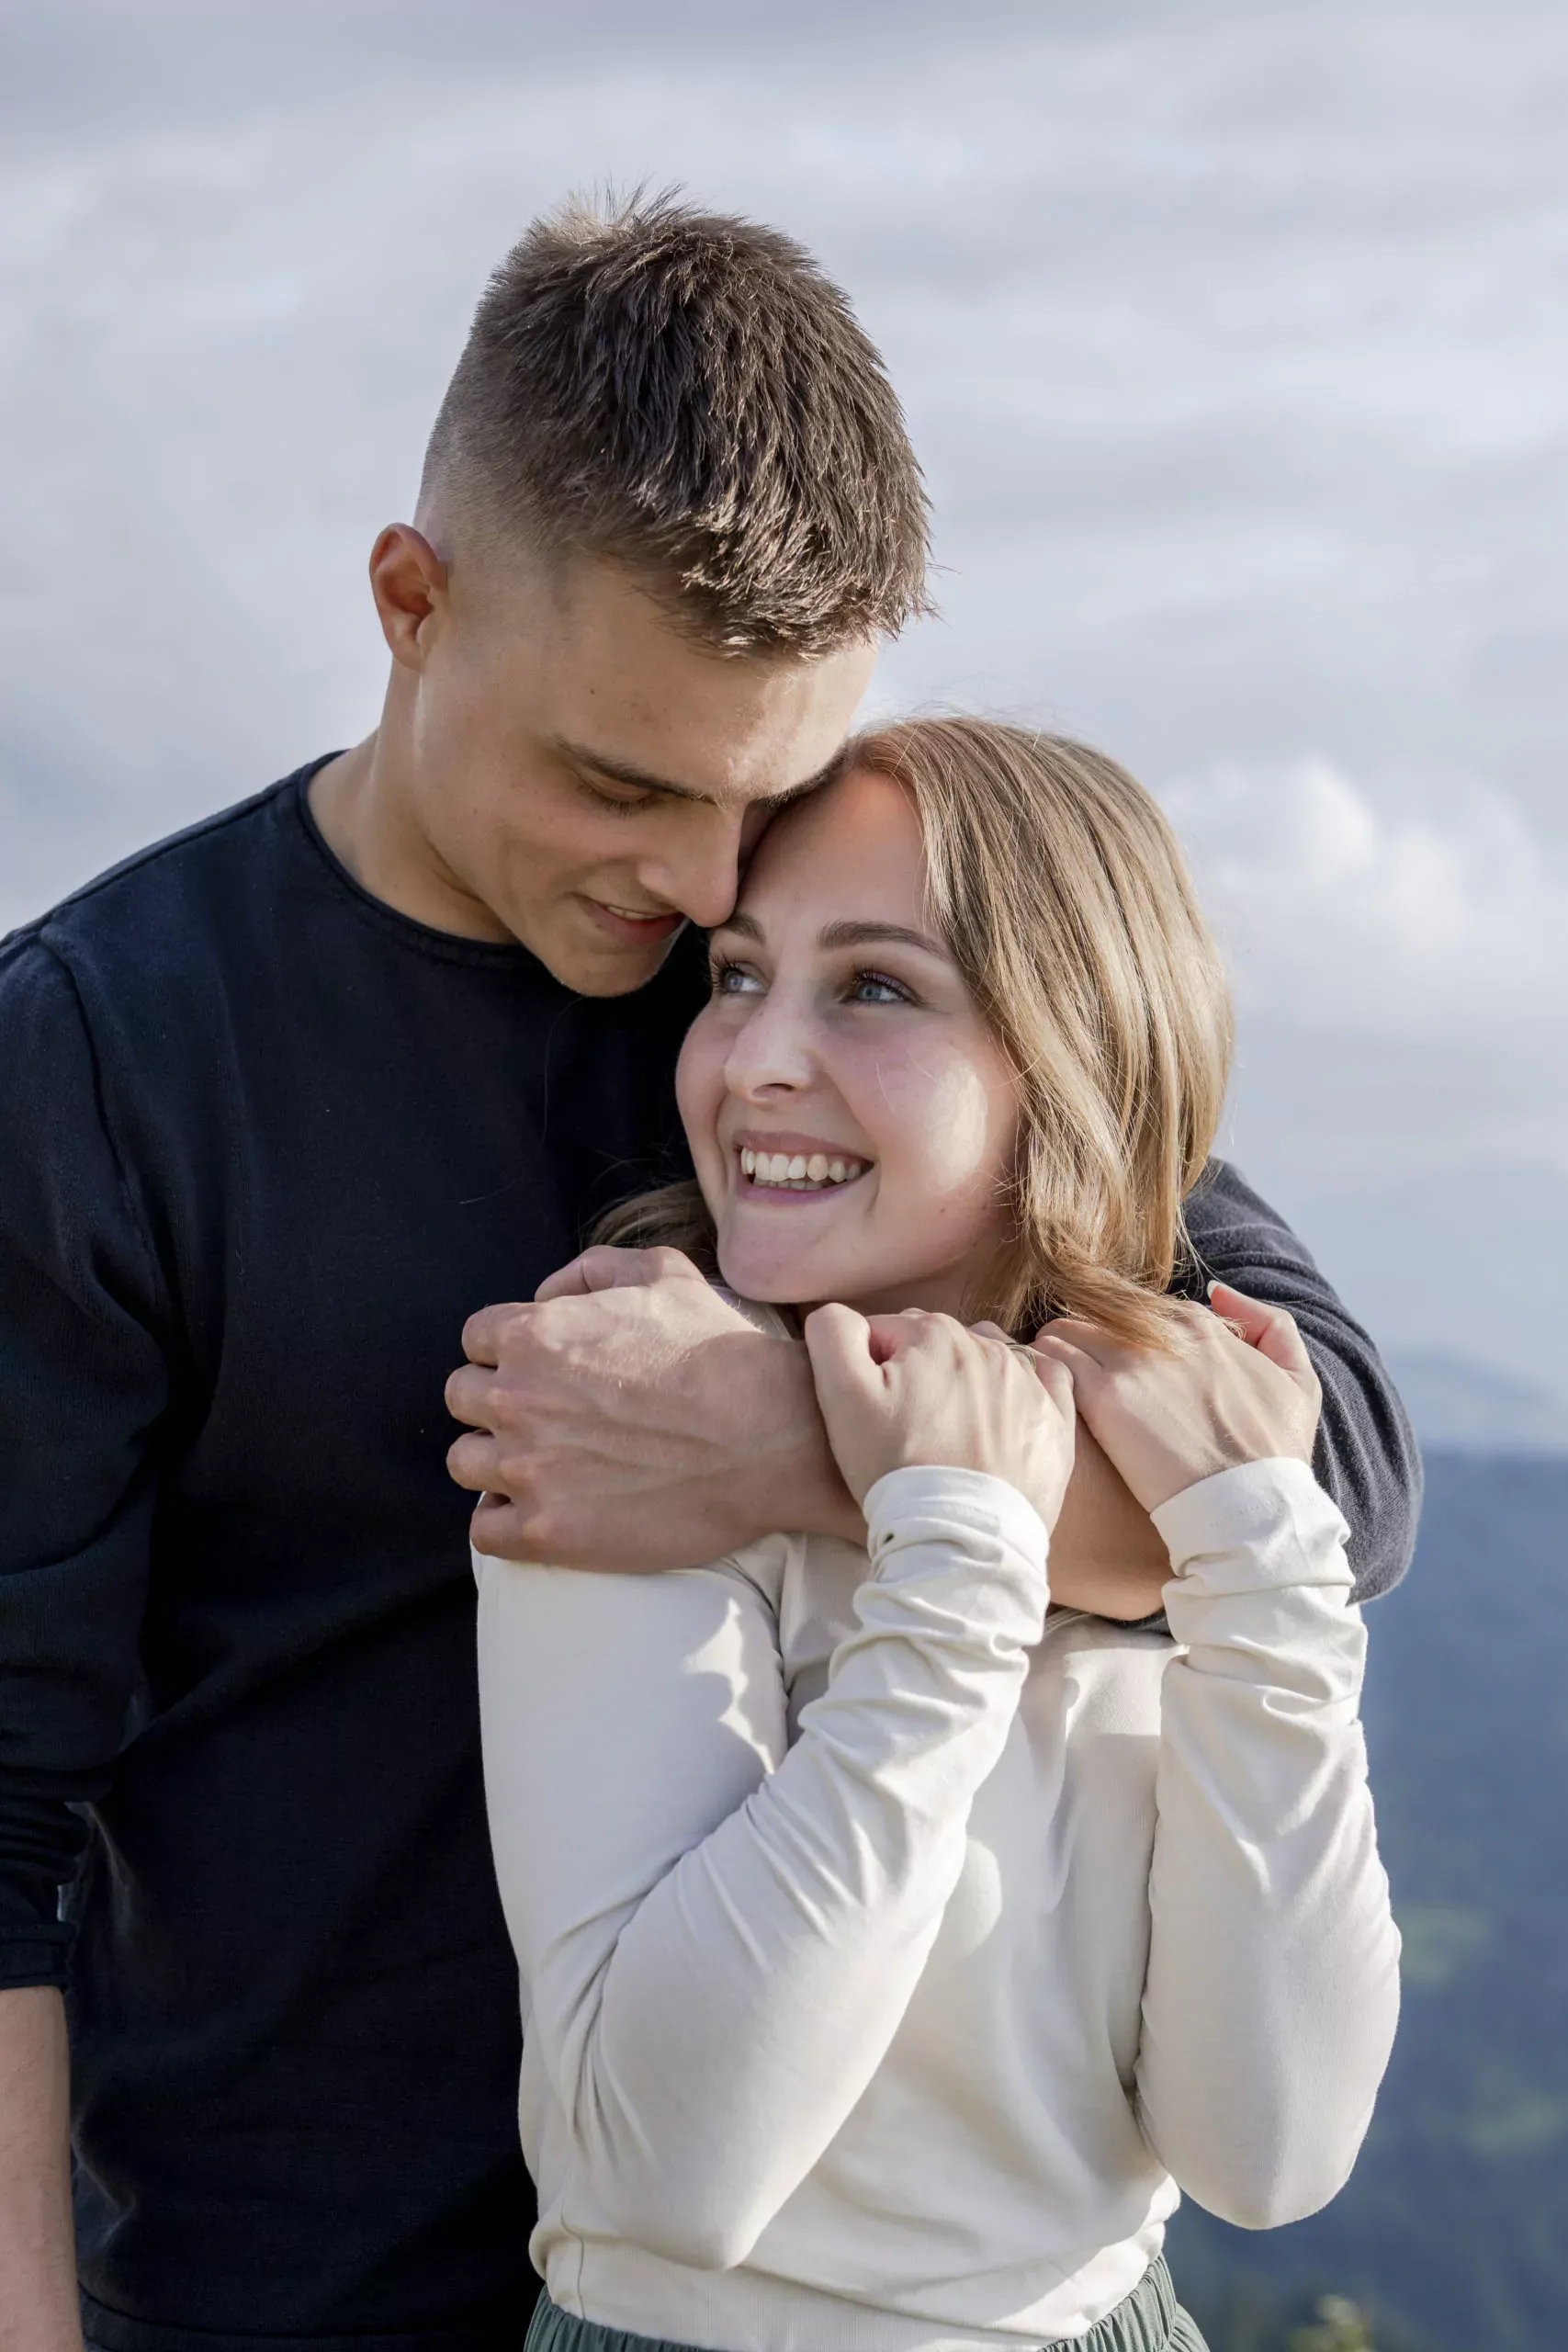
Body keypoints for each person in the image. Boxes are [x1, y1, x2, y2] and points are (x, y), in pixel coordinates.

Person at [0, 196, 1416, 2352]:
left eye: (750, 805)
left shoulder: (791, 991)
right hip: (290, 2283)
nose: (687, 892)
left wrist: (795, 1447)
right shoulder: (101, 1052)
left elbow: (1328, 1449)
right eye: (618, 783)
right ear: (408, 602)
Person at [474, 721, 1402, 2352]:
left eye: (875, 987)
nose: (754, 1057)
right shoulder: (639, 1406)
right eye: (738, 976)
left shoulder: (1170, 1450)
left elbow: (1267, 2155)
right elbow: (665, 2175)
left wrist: (1265, 1576)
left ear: (1071, 1053)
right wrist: (957, 1555)